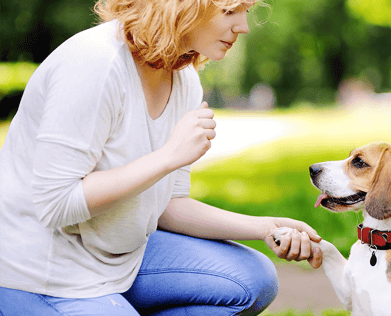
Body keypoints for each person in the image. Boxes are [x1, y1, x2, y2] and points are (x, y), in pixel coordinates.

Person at [0, 0, 323, 315]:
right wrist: (168, 156)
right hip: (42, 270)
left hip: (121, 258)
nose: (244, 26)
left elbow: (168, 205)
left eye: (246, 12)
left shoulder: (184, 80)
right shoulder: (95, 63)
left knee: (254, 279)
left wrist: (266, 227)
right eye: (229, 11)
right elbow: (56, 203)